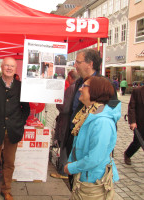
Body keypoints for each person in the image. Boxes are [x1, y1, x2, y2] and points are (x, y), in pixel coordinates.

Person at [61, 49, 117, 189]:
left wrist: (93, 126)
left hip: (90, 145)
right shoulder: (80, 82)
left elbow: (113, 112)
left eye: (78, 62)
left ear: (90, 64)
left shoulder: (104, 84)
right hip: (75, 139)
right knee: (74, 183)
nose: (75, 65)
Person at [64, 76, 120, 198]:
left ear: (95, 91)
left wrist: (72, 167)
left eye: (84, 86)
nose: (80, 89)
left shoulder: (102, 122)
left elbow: (95, 158)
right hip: (84, 176)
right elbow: (77, 143)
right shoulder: (88, 113)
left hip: (93, 181)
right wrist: (71, 160)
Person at [0, 57, 30, 200]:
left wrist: (20, 122)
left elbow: (26, 108)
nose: (9, 68)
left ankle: (6, 190)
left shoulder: (21, 86)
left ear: (15, 69)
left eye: (12, 66)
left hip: (13, 131)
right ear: (2, 67)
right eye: (6, 65)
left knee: (9, 163)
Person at [51, 70, 78, 179]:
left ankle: (63, 172)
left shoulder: (72, 88)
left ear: (70, 78)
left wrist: (58, 101)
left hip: (67, 122)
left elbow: (64, 107)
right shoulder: (78, 86)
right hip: (72, 121)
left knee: (65, 146)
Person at [124, 86, 144, 165]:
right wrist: (132, 121)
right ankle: (128, 154)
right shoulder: (137, 91)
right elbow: (132, 107)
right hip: (140, 123)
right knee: (137, 142)